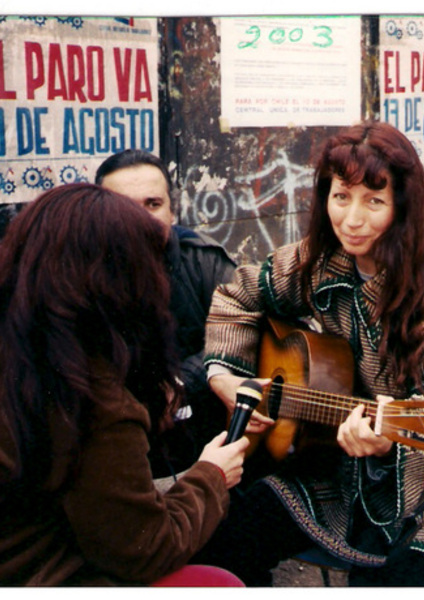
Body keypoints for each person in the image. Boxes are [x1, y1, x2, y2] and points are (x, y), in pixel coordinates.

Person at [193, 122, 424, 586]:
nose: (352, 219)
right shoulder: (321, 259)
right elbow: (236, 297)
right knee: (223, 538)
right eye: (341, 197)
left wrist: (383, 443)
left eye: (373, 201)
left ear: (402, 207)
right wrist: (225, 380)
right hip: (338, 465)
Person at [0, 183, 249, 586]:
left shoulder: (26, 343)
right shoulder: (89, 396)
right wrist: (211, 477)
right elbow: (143, 549)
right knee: (220, 583)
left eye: (155, 202)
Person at [95, 150, 236, 480]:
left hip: (208, 453)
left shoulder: (202, 262)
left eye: (153, 204)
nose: (141, 219)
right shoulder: (78, 277)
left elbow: (247, 328)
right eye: (124, 207)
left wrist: (183, 380)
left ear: (173, 211)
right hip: (124, 466)